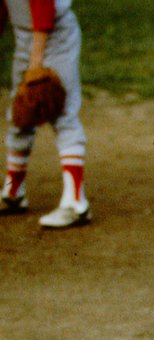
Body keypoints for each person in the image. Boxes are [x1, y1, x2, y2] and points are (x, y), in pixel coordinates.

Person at [1, 0, 90, 228]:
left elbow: (42, 3)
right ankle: (13, 192)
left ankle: (75, 203)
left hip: (55, 34)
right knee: (21, 110)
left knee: (63, 113)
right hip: (26, 35)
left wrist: (36, 59)